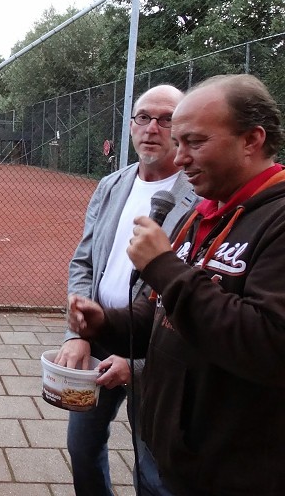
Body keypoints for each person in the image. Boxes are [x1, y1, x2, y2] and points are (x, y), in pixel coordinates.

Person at [69, 74, 285, 496]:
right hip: (173, 451)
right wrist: (106, 324)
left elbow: (268, 342)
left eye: (195, 142)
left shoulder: (276, 221)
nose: (181, 157)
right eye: (179, 142)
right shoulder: (204, 213)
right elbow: (163, 311)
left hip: (232, 471)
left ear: (251, 139)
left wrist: (163, 266)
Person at [55, 85, 198, 495]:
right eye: (143, 117)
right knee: (82, 449)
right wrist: (78, 333)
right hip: (100, 339)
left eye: (166, 119)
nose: (152, 128)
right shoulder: (111, 184)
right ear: (131, 124)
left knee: (152, 466)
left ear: (182, 128)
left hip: (157, 349)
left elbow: (193, 289)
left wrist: (137, 364)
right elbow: (84, 261)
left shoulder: (198, 195)